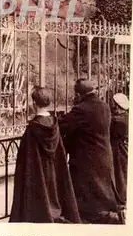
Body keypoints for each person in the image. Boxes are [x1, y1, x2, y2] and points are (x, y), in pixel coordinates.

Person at [9, 88, 81, 223]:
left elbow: (27, 156)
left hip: (37, 169)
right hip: (52, 165)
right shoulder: (55, 124)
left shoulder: (33, 127)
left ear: (34, 103)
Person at [59, 78, 122, 224]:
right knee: (101, 188)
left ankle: (100, 216)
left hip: (86, 157)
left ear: (79, 94)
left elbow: (64, 125)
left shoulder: (81, 109)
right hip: (104, 153)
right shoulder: (105, 106)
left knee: (87, 188)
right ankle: (108, 213)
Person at [110, 92, 129, 208]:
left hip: (118, 150)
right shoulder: (127, 117)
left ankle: (120, 199)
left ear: (117, 106)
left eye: (113, 105)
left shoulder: (117, 121)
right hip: (123, 148)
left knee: (119, 172)